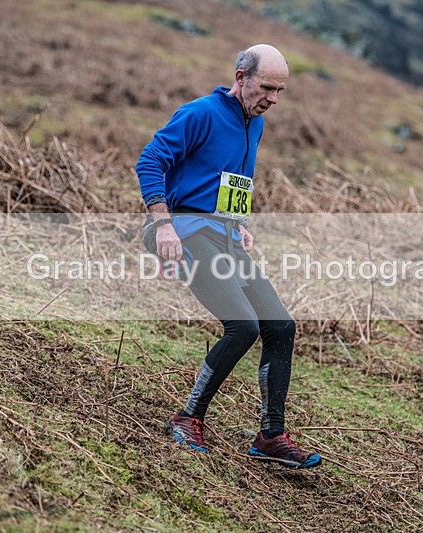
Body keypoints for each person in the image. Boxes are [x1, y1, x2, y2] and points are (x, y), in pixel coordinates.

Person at [136, 44, 321, 468]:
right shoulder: (199, 113)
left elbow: (230, 181)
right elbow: (150, 161)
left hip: (222, 235)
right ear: (241, 78)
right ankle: (187, 418)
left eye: (281, 90)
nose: (273, 98)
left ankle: (271, 437)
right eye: (267, 87)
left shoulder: (252, 122)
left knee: (280, 325)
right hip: (183, 231)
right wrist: (162, 226)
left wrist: (238, 225)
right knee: (242, 326)